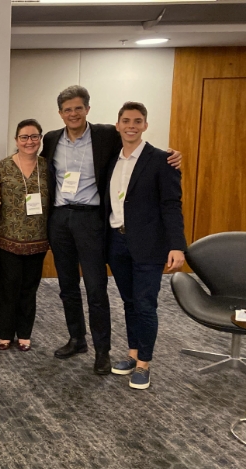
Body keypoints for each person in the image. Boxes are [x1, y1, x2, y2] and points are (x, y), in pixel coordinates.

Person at [41, 85, 181, 374]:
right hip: (60, 219)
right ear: (60, 114)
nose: (73, 114)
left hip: (92, 219)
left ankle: (102, 350)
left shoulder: (106, 134)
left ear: (87, 109)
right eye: (67, 110)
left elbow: (140, 147)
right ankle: (76, 339)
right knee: (67, 286)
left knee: (96, 288)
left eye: (78, 108)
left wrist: (173, 155)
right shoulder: (51, 139)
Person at [105, 102, 186, 390]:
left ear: (145, 125)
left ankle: (144, 364)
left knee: (145, 304)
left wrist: (177, 245)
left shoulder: (161, 160)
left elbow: (171, 204)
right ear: (117, 125)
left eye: (137, 121)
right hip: (116, 240)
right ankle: (132, 353)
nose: (131, 126)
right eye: (126, 120)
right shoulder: (110, 158)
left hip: (149, 245)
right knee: (128, 302)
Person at [0, 119, 50, 352]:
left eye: (34, 136)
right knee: (8, 288)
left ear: (40, 139)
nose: (29, 141)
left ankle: (24, 333)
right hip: (8, 240)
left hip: (38, 241)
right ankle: (5, 333)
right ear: (16, 140)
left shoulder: (48, 167)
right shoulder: (2, 167)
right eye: (24, 137)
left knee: (30, 288)